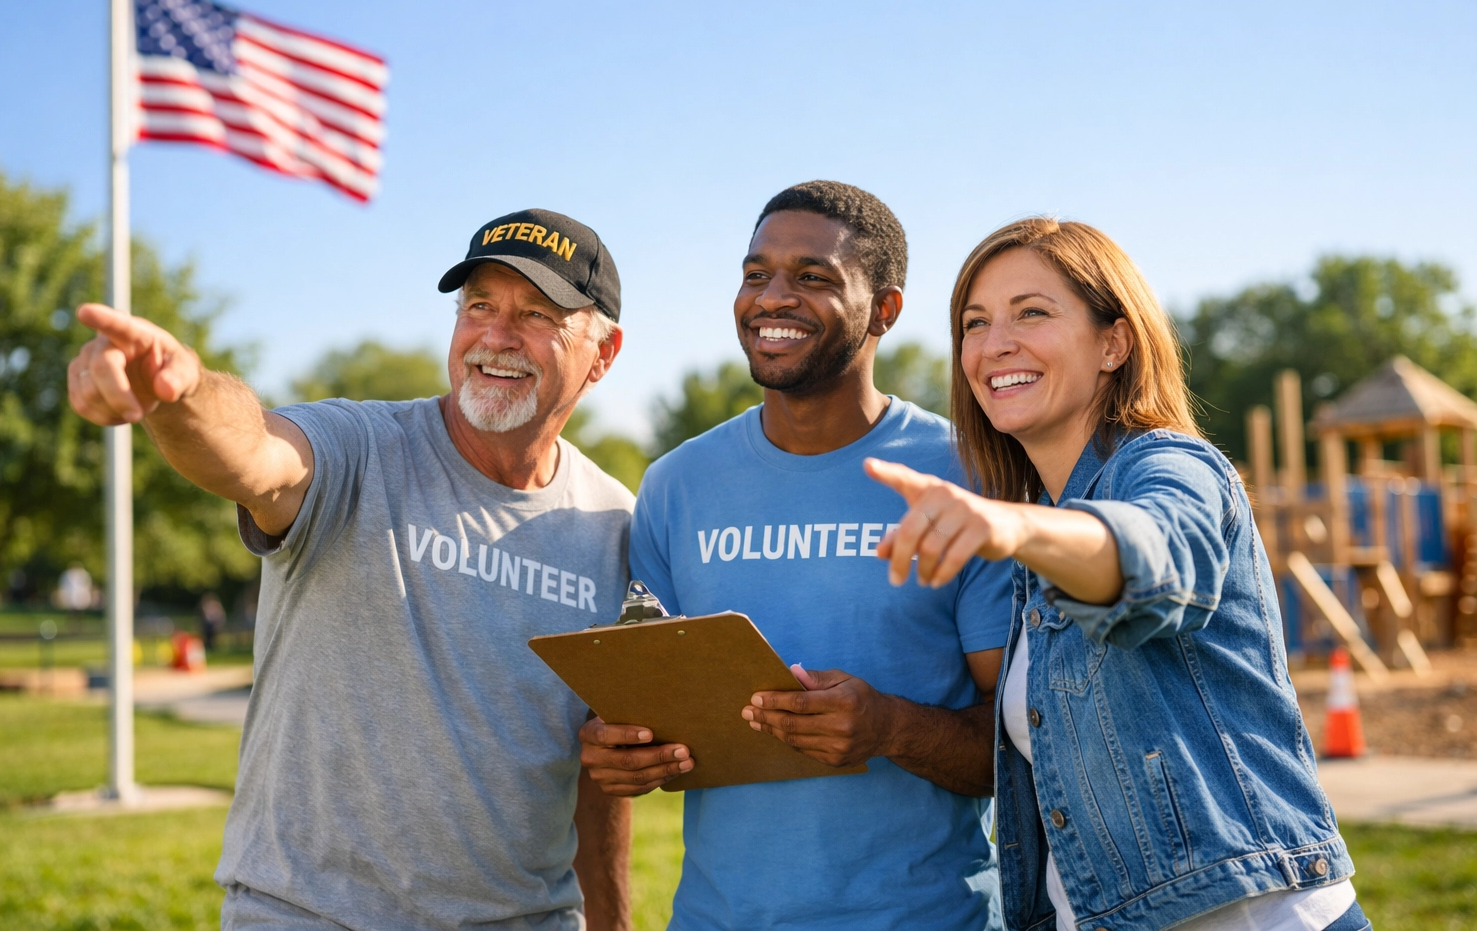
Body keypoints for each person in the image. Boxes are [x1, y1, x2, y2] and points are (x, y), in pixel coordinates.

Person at [68, 209, 636, 931]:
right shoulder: (362, 448)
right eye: (478, 307)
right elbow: (255, 453)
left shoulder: (612, 523)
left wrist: (613, 923)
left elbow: (599, 760)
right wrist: (178, 395)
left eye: (536, 315)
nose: (495, 336)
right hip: (311, 914)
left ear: (602, 353)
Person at [867, 218, 1369, 931]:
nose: (994, 344)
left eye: (1031, 312)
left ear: (1114, 342)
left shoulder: (1168, 465)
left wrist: (1013, 528)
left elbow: (1157, 552)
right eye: (974, 324)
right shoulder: (1041, 520)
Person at [580, 181, 1014, 930]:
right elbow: (647, 707)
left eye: (812, 277)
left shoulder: (970, 478)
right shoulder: (677, 485)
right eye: (756, 275)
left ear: (885, 310)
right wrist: (623, 749)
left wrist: (890, 729)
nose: (772, 298)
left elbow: (1018, 748)